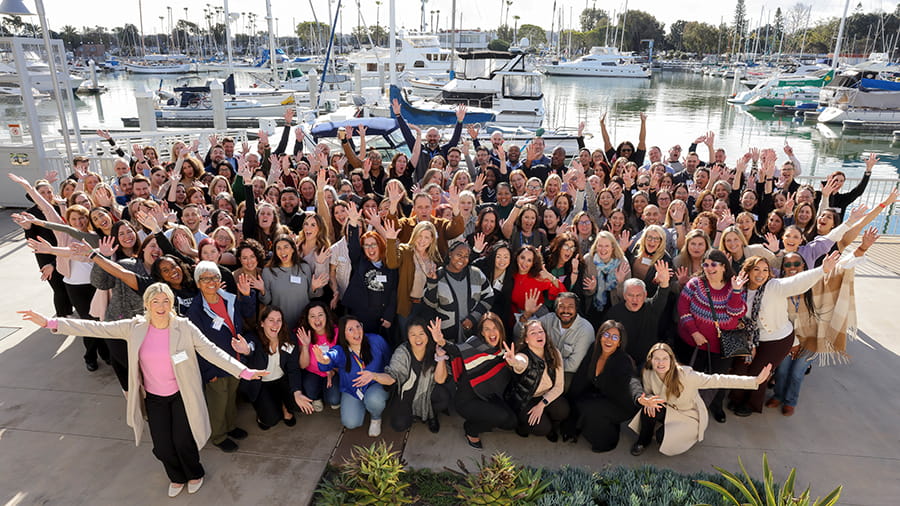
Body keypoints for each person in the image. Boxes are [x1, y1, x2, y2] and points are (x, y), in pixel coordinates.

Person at [18, 283, 268, 497]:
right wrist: (51, 322)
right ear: (147, 304)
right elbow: (96, 328)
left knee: (182, 441)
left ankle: (194, 473)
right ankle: (176, 477)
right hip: (155, 399)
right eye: (155, 301)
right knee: (162, 445)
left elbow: (214, 353)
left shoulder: (184, 327)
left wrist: (244, 371)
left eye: (165, 300)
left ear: (171, 304)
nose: (160, 305)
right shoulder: (135, 327)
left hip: (181, 396)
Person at [728, 252, 840, 415]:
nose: (761, 274)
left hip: (777, 339)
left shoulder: (774, 286)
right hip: (748, 338)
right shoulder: (740, 289)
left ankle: (750, 404)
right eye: (756, 270)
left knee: (759, 372)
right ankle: (736, 398)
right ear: (748, 271)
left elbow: (797, 282)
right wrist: (736, 291)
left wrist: (822, 270)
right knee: (740, 367)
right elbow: (733, 314)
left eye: (765, 270)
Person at [628, 343, 771, 456]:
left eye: (665, 358)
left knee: (662, 438)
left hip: (688, 414)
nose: (660, 363)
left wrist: (755, 381)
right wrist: (648, 399)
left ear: (672, 360)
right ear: (650, 360)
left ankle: (687, 436)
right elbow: (647, 392)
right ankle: (643, 441)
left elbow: (720, 380)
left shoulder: (687, 375)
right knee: (648, 408)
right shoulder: (648, 372)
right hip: (668, 408)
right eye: (656, 359)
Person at [187, 261, 257, 453]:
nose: (211, 282)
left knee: (230, 397)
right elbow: (196, 346)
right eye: (205, 278)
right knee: (218, 402)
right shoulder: (196, 310)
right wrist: (209, 372)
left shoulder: (229, 299)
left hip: (234, 361)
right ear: (198, 283)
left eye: (215, 277)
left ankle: (230, 427)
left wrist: (246, 296)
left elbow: (248, 317)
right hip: (215, 366)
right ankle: (219, 436)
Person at [676, 249, 749, 423]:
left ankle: (716, 406)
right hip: (693, 342)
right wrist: (694, 332)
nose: (709, 268)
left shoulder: (734, 285)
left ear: (724, 267)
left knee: (719, 378)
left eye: (714, 264)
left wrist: (737, 291)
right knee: (693, 376)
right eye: (706, 264)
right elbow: (683, 309)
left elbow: (736, 312)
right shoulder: (695, 284)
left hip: (722, 345)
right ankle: (690, 407)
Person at [355, 318, 451, 433]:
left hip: (428, 390)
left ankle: (431, 415)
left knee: (443, 398)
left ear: (427, 334)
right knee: (398, 425)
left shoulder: (434, 349)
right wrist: (374, 375)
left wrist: (440, 358)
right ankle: (414, 412)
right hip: (406, 393)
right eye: (413, 334)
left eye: (421, 333)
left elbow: (440, 380)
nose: (418, 338)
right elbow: (392, 377)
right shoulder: (402, 352)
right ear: (407, 336)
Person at [562, 320, 643, 452]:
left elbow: (632, 381)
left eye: (615, 337)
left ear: (619, 343)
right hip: (604, 396)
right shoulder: (594, 350)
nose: (609, 339)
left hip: (622, 404)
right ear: (600, 336)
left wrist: (639, 397)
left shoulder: (622, 360)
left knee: (591, 409)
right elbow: (581, 377)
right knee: (580, 402)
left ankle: (607, 441)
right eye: (606, 335)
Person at [447, 312, 517, 449]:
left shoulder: (504, 352)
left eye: (495, 328)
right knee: (501, 416)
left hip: (487, 397)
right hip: (466, 402)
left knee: (512, 422)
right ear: (482, 333)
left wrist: (513, 364)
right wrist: (440, 341)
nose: (491, 332)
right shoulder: (474, 345)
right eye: (487, 329)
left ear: (500, 330)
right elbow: (454, 350)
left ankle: (483, 417)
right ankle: (470, 428)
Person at [313, 316, 392, 437]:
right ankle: (363, 406)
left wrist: (379, 377)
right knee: (350, 423)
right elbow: (330, 358)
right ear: (344, 335)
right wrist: (323, 360)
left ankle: (376, 417)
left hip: (376, 385)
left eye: (358, 327)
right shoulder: (340, 350)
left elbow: (390, 361)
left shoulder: (376, 340)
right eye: (350, 329)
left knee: (374, 400)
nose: (356, 331)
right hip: (353, 390)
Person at [239, 306, 315, 430]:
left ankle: (285, 405)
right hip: (261, 383)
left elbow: (293, 368)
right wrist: (247, 351)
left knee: (299, 404)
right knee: (270, 420)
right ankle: (265, 409)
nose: (275, 324)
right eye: (271, 320)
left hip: (281, 380)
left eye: (279, 320)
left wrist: (297, 392)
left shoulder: (288, 338)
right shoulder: (252, 337)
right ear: (262, 323)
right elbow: (250, 347)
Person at [515, 291, 594, 392]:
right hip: (544, 367)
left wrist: (544, 367)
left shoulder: (585, 330)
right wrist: (527, 314)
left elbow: (573, 365)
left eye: (570, 306)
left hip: (568, 372)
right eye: (561, 306)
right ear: (556, 308)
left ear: (576, 309)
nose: (566, 310)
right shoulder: (549, 319)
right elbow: (520, 334)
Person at [507, 320, 570, 440]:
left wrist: (541, 405)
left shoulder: (554, 353)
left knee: (563, 410)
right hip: (526, 399)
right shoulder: (523, 356)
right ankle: (523, 426)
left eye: (541, 331)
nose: (539, 335)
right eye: (533, 333)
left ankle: (552, 427)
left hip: (545, 395)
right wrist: (514, 361)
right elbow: (521, 363)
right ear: (526, 339)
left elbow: (559, 386)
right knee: (542, 429)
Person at [424, 241, 494, 343]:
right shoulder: (438, 275)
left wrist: (473, 318)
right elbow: (430, 304)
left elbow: (489, 297)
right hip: (446, 336)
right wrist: (432, 282)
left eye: (466, 256)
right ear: (450, 254)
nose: (462, 259)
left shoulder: (476, 274)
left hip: (474, 334)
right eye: (459, 254)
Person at [605, 261, 672, 367]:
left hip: (648, 362)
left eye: (638, 295)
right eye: (631, 295)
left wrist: (664, 281)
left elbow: (663, 294)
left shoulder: (651, 306)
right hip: (622, 362)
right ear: (624, 295)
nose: (634, 299)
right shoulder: (614, 313)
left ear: (645, 295)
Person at [261, 235, 329, 332]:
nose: (282, 251)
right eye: (278, 248)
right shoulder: (268, 271)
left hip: (304, 325)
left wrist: (314, 287)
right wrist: (262, 290)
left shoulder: (304, 268)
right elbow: (266, 301)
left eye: (286, 247)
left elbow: (311, 295)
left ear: (293, 249)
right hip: (280, 326)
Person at [296, 302, 341, 411]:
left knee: (334, 400)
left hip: (331, 372)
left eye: (320, 315)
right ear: (307, 319)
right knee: (310, 393)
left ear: (326, 316)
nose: (317, 319)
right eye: (312, 316)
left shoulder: (337, 332)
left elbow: (343, 361)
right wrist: (305, 346)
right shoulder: (304, 334)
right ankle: (317, 397)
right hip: (312, 372)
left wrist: (333, 370)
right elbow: (303, 365)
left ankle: (327, 395)